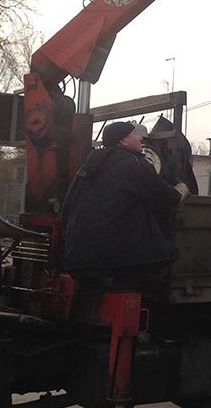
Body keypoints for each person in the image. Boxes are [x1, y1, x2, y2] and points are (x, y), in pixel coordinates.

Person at [63, 121, 190, 292]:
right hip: (113, 260)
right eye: (135, 135)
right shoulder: (135, 164)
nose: (140, 139)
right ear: (122, 141)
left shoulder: (87, 167)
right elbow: (168, 199)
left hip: (76, 259)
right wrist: (181, 189)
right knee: (169, 253)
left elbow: (66, 209)